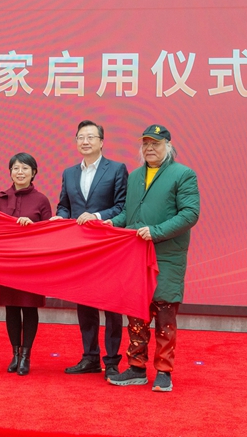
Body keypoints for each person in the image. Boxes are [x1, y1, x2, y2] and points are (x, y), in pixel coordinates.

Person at [106, 124, 200, 392]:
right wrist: (111, 223)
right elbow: (129, 214)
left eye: (155, 144)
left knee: (164, 313)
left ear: (168, 146)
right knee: (136, 313)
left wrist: (156, 232)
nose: (149, 148)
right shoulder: (135, 176)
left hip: (166, 256)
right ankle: (136, 367)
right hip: (135, 255)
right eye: (145, 143)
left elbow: (190, 214)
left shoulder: (183, 174)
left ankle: (164, 371)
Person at [51, 120, 128, 379]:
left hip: (108, 246)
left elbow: (122, 207)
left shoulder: (116, 169)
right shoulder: (69, 173)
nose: (85, 141)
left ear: (101, 142)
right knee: (84, 302)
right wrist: (61, 217)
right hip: (80, 247)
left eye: (91, 137)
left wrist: (96, 216)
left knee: (112, 303)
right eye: (81, 137)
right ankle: (90, 357)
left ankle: (112, 361)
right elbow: (65, 205)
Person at [0, 153, 52, 376]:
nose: (20, 172)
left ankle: (26, 356)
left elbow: (49, 232)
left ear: (33, 172)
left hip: (32, 263)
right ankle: (15, 355)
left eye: (25, 168)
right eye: (16, 168)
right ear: (10, 172)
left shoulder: (41, 200)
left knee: (29, 308)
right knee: (11, 307)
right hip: (8, 262)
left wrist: (33, 227)